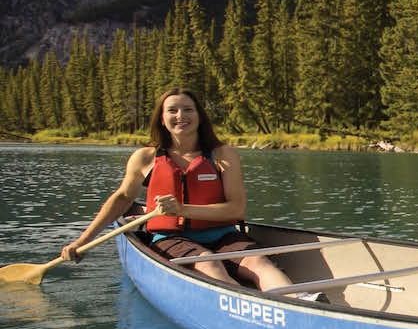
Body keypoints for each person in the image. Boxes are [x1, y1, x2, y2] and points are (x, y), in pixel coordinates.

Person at [63, 87, 300, 294]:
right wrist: (83, 240)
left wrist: (181, 209)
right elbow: (123, 198)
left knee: (259, 261)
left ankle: (295, 300)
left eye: (188, 109)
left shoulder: (222, 154)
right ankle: (247, 305)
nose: (181, 116)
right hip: (170, 238)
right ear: (162, 119)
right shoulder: (145, 157)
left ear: (199, 116)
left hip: (223, 234)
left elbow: (236, 209)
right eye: (173, 111)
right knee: (208, 263)